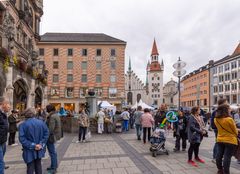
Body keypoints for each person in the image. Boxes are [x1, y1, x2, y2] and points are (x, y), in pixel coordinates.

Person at [19, 108, 49, 174]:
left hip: (29, 149)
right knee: (38, 165)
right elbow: (46, 134)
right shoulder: (41, 123)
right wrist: (41, 144)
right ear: (34, 114)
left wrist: (33, 145)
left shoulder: (22, 125)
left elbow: (22, 139)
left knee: (30, 167)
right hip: (39, 148)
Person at [214, 104, 238, 174]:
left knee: (219, 155)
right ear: (226, 110)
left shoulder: (216, 119)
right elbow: (235, 131)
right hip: (230, 140)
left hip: (220, 139)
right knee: (227, 157)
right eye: (229, 109)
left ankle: (220, 169)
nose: (230, 110)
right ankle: (226, 172)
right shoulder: (229, 119)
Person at [210, 98, 228, 163]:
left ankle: (219, 157)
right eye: (226, 102)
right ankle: (215, 157)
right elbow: (212, 122)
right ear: (222, 103)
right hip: (218, 130)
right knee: (218, 143)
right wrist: (216, 128)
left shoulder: (224, 111)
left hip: (223, 130)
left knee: (221, 143)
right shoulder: (216, 111)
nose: (227, 103)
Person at [45, 104, 62, 173]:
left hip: (51, 136)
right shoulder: (56, 115)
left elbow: (50, 129)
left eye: (46, 108)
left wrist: (45, 136)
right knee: (52, 152)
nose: (46, 110)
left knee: (52, 152)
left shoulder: (52, 116)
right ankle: (53, 165)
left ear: (49, 109)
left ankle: (54, 168)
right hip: (54, 135)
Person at [0, 97, 10, 174]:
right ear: (3, 104)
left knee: (1, 161)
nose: (9, 106)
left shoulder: (3, 113)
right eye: (8, 104)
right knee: (0, 163)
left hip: (3, 141)